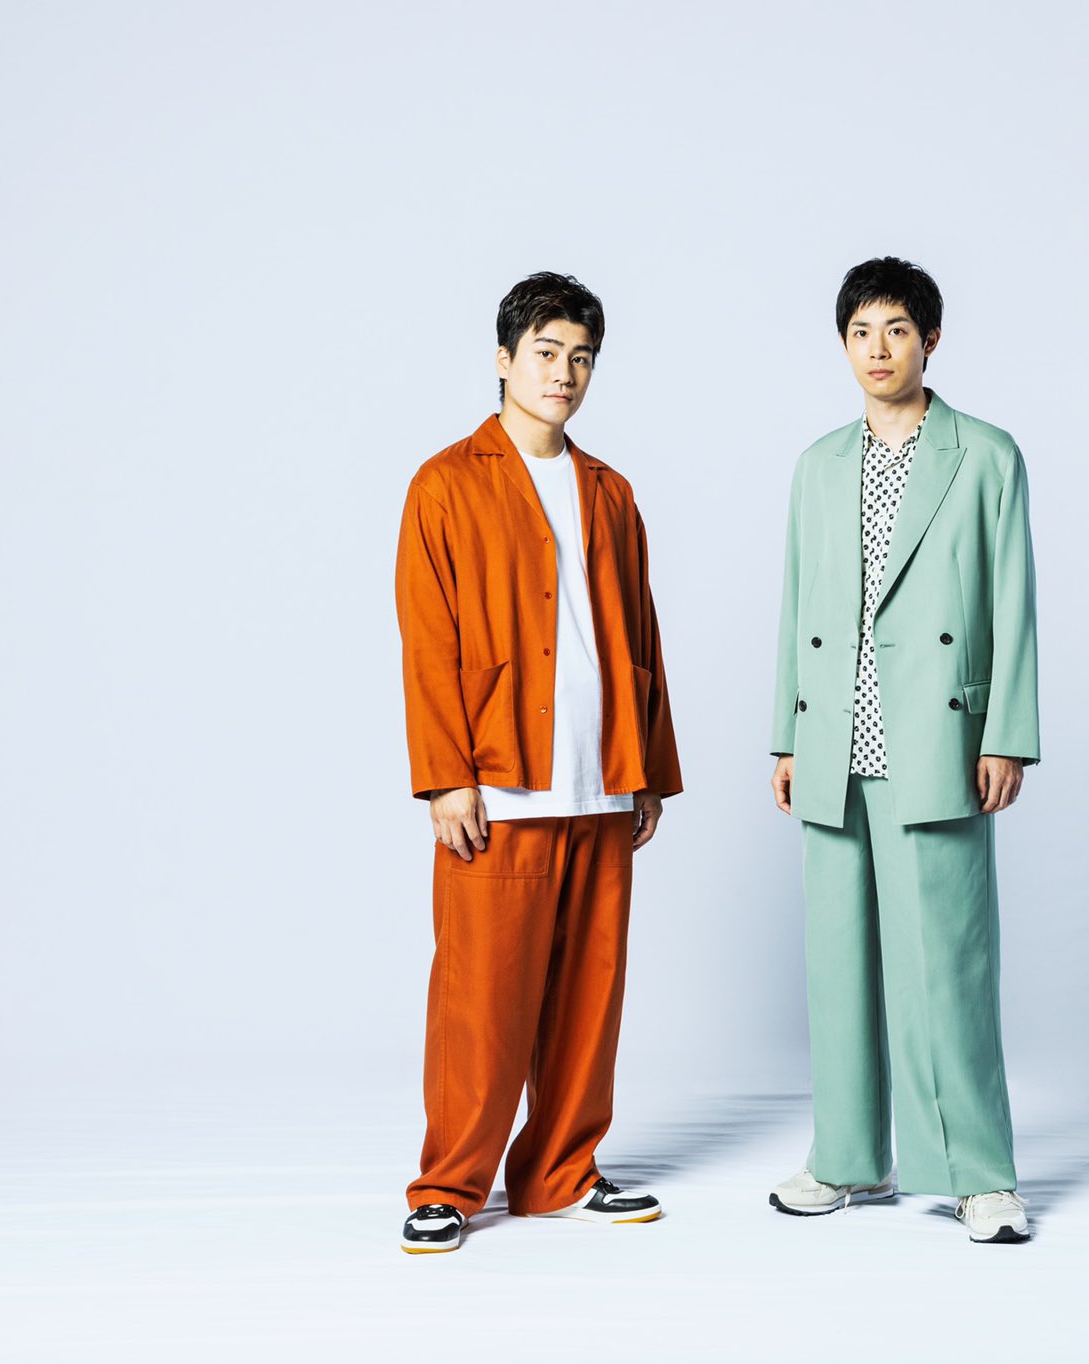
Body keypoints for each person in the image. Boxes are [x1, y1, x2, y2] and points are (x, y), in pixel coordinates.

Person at [395, 272, 681, 1254]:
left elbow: (640, 636)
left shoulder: (610, 490)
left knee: (587, 998)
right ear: (504, 358)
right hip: (499, 779)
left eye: (581, 357)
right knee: (481, 998)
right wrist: (445, 775)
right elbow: (427, 640)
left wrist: (648, 767)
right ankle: (448, 1183)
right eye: (547, 353)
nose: (565, 373)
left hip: (601, 780)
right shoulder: (445, 483)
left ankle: (561, 1170)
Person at [767, 256, 1040, 1244]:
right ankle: (847, 1158)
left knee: (946, 967)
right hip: (834, 739)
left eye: (895, 329)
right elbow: (798, 604)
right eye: (859, 332)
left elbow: (1011, 597)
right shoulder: (818, 463)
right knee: (838, 965)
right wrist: (788, 735)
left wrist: (1006, 735)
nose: (877, 349)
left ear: (930, 339)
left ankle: (979, 1173)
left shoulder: (985, 455)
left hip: (937, 737)